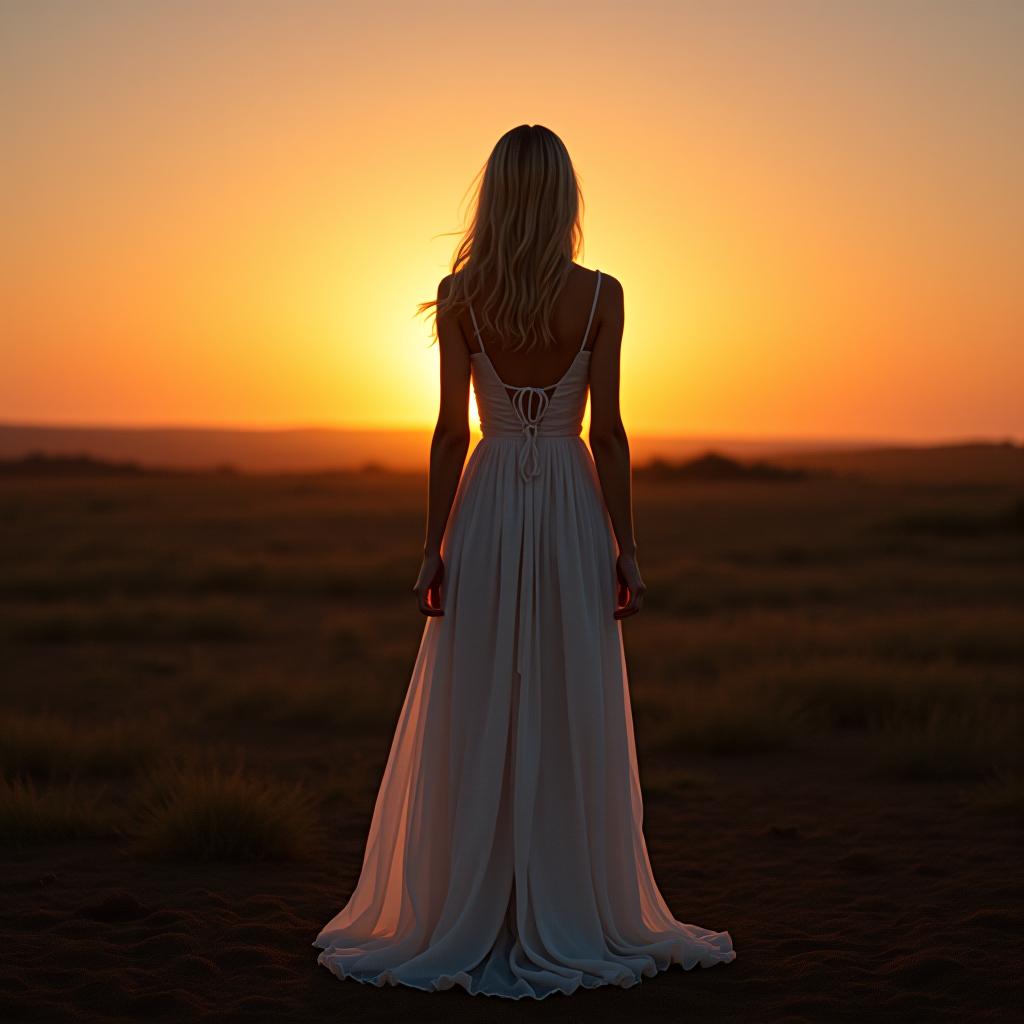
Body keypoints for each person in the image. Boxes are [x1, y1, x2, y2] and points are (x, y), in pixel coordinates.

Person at [313, 123, 736, 1000]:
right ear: (565, 197)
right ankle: (567, 903)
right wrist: (628, 547)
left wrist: (432, 546)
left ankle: (479, 906)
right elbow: (610, 433)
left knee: (479, 693)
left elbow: (447, 434)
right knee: (567, 691)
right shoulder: (602, 295)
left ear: (495, 196)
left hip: (489, 499)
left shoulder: (462, 293)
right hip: (573, 510)